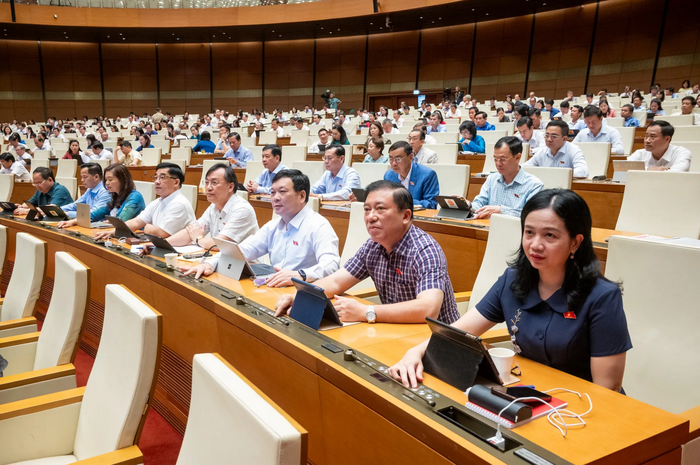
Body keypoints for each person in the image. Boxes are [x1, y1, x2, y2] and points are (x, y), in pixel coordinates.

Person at [389, 189, 631, 391]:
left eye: (550, 235)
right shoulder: (512, 280)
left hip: (581, 408)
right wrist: (415, 352)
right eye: (529, 232)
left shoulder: (602, 297)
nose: (535, 245)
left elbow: (607, 389)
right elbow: (459, 332)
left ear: (575, 242)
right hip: (530, 394)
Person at [275, 180, 460, 324]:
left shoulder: (425, 250)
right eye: (366, 209)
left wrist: (366, 311)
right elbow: (336, 281)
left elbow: (428, 309)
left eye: (380, 209)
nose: (370, 217)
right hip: (396, 329)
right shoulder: (373, 246)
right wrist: (299, 297)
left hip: (437, 342)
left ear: (405, 216)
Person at [184, 169, 340, 287]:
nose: (275, 197)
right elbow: (241, 251)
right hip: (277, 288)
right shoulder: (273, 226)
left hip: (305, 290)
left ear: (302, 196)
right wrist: (210, 264)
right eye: (272, 192)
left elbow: (332, 264)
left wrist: (301, 275)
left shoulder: (318, 225)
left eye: (282, 192)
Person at [94, 163, 195, 240]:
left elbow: (161, 233)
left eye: (162, 177)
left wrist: (147, 227)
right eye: (156, 177)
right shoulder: (158, 202)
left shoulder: (179, 203)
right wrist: (112, 232)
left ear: (176, 182)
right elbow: (136, 222)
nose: (157, 181)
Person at [168, 163, 258, 249]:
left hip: (246, 260)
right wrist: (165, 243)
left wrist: (199, 239)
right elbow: (191, 232)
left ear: (230, 187)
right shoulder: (213, 206)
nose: (208, 188)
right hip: (223, 258)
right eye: (207, 182)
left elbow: (219, 245)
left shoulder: (242, 209)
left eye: (214, 183)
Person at [471, 137, 543, 219]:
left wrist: (501, 210)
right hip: (488, 225)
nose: (498, 164)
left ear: (517, 158)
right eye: (495, 159)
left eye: (503, 159)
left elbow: (531, 217)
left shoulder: (534, 185)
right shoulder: (492, 179)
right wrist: (467, 205)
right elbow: (479, 203)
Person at [55, 164, 145, 227]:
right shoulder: (115, 196)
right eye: (106, 180)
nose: (107, 183)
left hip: (133, 237)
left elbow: (121, 221)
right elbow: (96, 214)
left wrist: (109, 222)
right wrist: (73, 221)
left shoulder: (134, 197)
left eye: (110, 180)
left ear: (123, 180)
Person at [383, 141, 439, 209]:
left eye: (398, 159)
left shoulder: (427, 175)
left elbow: (431, 204)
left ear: (410, 157)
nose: (394, 163)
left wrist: (404, 201)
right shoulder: (389, 175)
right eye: (391, 159)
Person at [627, 121, 691, 172]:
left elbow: (675, 174)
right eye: (646, 136)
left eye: (652, 136)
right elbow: (624, 168)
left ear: (667, 139)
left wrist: (643, 170)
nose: (647, 140)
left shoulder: (681, 153)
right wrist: (649, 169)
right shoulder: (640, 153)